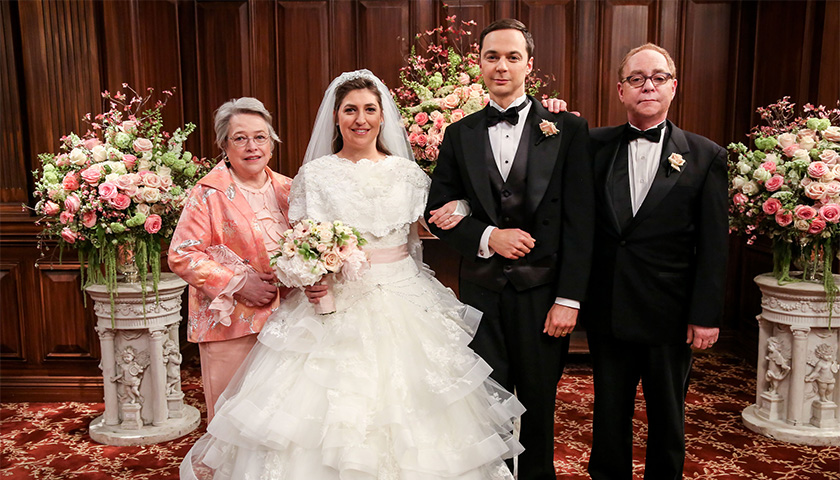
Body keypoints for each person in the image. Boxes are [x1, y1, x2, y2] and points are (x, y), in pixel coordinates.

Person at [180, 69, 525, 480]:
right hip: (335, 302)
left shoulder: (407, 173)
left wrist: (461, 209)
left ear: (382, 116)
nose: (360, 119)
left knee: (416, 407)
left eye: (369, 109)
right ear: (336, 117)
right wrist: (310, 274)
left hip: (404, 298)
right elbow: (301, 241)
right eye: (350, 110)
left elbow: (434, 220)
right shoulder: (314, 175)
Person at [425, 19, 595, 480]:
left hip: (543, 294)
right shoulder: (459, 133)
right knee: (488, 405)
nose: (502, 66)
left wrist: (569, 299)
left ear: (529, 65)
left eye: (512, 57)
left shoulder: (567, 129)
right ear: (479, 64)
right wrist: (487, 236)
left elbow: (581, 221)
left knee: (539, 404)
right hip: (481, 292)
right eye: (492, 57)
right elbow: (437, 210)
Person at [583, 43, 728, 480]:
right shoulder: (591, 146)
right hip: (609, 307)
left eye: (658, 78)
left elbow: (713, 245)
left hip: (671, 314)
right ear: (621, 90)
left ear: (673, 87)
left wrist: (705, 315)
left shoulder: (706, 155)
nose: (648, 86)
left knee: (667, 416)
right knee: (609, 413)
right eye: (636, 79)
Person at [168, 97, 292, 422]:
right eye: (240, 138)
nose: (252, 147)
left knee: (281, 420)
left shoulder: (289, 189)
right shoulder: (207, 193)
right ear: (224, 145)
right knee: (233, 420)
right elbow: (182, 254)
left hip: (289, 321)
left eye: (260, 137)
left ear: (271, 142)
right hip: (232, 325)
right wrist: (238, 283)